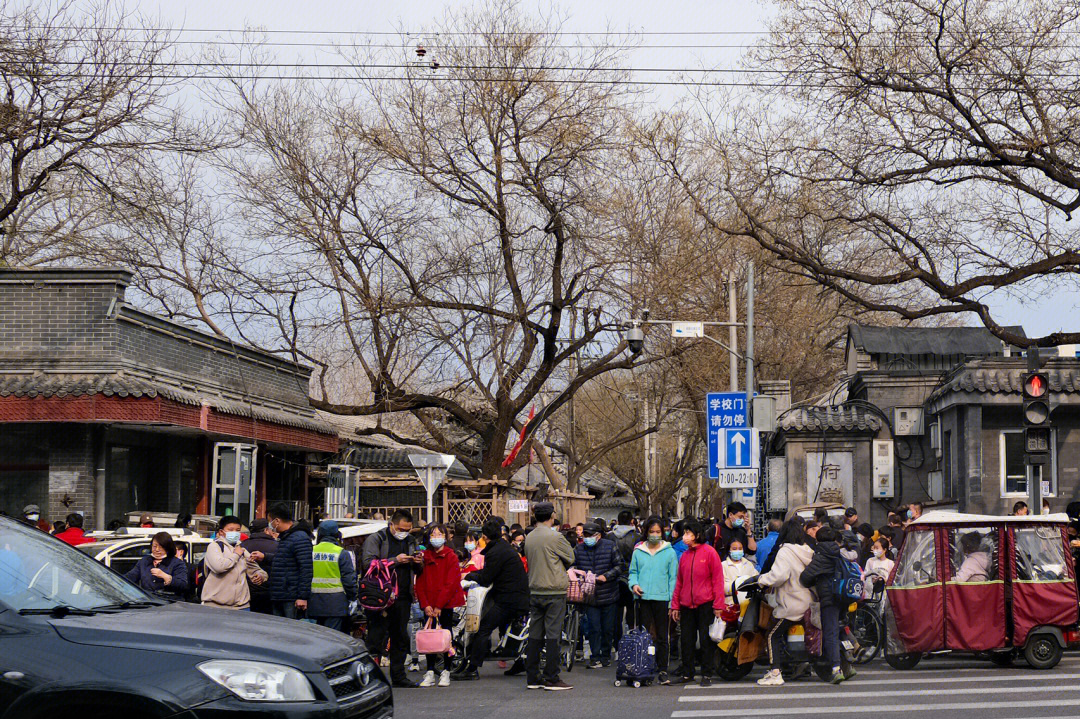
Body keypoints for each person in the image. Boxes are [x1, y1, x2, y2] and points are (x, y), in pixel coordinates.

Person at [454, 518, 531, 680]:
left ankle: (472, 669)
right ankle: (519, 662)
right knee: (509, 631)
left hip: (509, 600)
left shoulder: (495, 552)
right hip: (518, 597)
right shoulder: (504, 548)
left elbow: (487, 577)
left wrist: (470, 575)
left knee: (483, 629)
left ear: (485, 537)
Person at [362, 509, 424, 688]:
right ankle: (370, 679)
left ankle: (398, 676)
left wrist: (419, 563)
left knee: (400, 637)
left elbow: (418, 571)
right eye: (400, 528)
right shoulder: (377, 539)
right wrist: (395, 560)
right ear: (391, 525)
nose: (403, 532)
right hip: (379, 597)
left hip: (403, 597)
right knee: (375, 638)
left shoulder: (411, 541)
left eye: (407, 529)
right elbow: (367, 564)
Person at [522, 501, 575, 691]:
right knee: (553, 634)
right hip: (554, 589)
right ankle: (551, 677)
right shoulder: (555, 537)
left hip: (535, 588)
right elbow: (571, 557)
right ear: (552, 516)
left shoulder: (529, 537)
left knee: (535, 633)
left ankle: (532, 676)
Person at [755, 519, 815, 686]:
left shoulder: (785, 551)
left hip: (791, 603)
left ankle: (775, 672)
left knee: (772, 634)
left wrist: (761, 579)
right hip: (807, 601)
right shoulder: (806, 550)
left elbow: (778, 576)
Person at [670, 519, 728, 687]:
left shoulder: (710, 553)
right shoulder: (685, 556)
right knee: (686, 641)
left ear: (697, 535)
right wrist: (675, 605)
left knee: (705, 641)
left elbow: (718, 580)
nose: (685, 537)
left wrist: (718, 605)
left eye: (688, 533)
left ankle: (706, 673)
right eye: (684, 533)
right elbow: (679, 582)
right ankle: (688, 673)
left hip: (706, 604)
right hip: (686, 605)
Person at [627, 516, 678, 685]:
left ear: (663, 532)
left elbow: (673, 579)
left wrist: (672, 602)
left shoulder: (669, 552)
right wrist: (634, 585)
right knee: (643, 636)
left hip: (662, 599)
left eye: (658, 531)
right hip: (643, 598)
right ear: (646, 532)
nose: (655, 535)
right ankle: (644, 667)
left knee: (663, 636)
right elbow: (632, 572)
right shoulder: (638, 551)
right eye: (652, 531)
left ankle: (663, 668)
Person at [412, 523, 463, 687]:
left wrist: (439, 606)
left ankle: (446, 671)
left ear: (446, 537)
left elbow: (451, 583)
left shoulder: (451, 556)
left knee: (446, 638)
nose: (436, 538)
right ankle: (430, 671)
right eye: (433, 535)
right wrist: (425, 604)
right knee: (429, 639)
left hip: (445, 605)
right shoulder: (424, 557)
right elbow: (419, 582)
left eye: (439, 534)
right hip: (429, 604)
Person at [799, 525, 846, 684]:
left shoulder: (821, 554)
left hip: (828, 597)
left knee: (830, 632)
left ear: (817, 539)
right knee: (838, 629)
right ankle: (847, 666)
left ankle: (836, 669)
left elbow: (806, 577)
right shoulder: (837, 551)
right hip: (841, 596)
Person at [573, 522, 623, 668]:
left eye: (589, 535)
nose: (587, 538)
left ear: (598, 536)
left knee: (608, 628)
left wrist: (606, 576)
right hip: (590, 595)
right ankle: (595, 656)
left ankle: (606, 655)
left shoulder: (610, 546)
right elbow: (573, 566)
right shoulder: (579, 549)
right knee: (594, 628)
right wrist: (579, 575)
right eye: (585, 535)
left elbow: (620, 565)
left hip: (609, 593)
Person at [202, 516, 268, 610]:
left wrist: (260, 576)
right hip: (216, 605)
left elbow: (256, 569)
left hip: (242, 606)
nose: (235, 533)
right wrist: (236, 555)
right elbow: (219, 567)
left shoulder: (242, 550)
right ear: (221, 532)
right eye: (231, 530)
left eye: (237, 530)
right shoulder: (215, 547)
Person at [308, 520, 358, 633]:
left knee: (317, 636)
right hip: (336, 604)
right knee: (332, 637)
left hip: (314, 602)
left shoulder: (311, 551)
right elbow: (348, 579)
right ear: (336, 534)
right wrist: (353, 597)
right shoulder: (342, 553)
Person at [268, 502, 314, 620]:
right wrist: (265, 556)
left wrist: (302, 597)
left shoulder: (299, 537)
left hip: (290, 596)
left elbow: (306, 568)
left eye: (270, 521)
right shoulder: (287, 537)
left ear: (277, 521)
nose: (270, 525)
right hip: (281, 594)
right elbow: (285, 559)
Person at [125, 531, 189, 599]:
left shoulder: (177, 563)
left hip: (169, 602)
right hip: (148, 602)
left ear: (168, 547)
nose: (157, 549)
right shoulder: (144, 561)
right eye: (154, 546)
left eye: (161, 547)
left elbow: (183, 585)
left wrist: (166, 577)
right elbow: (130, 577)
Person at [611, 510, 640, 643]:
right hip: (631, 576)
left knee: (616, 612)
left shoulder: (610, 537)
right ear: (632, 521)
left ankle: (616, 642)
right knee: (631, 610)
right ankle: (632, 639)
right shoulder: (637, 537)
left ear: (617, 521)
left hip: (614, 577)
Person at [240, 518, 278, 614]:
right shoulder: (277, 546)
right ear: (266, 530)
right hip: (271, 593)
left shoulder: (241, 546)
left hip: (247, 593)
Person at [722, 539, 759, 605]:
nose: (737, 551)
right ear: (729, 550)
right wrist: (737, 585)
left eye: (740, 548)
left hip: (748, 604)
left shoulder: (749, 564)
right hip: (730, 604)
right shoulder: (723, 565)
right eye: (734, 549)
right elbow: (720, 586)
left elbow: (756, 580)